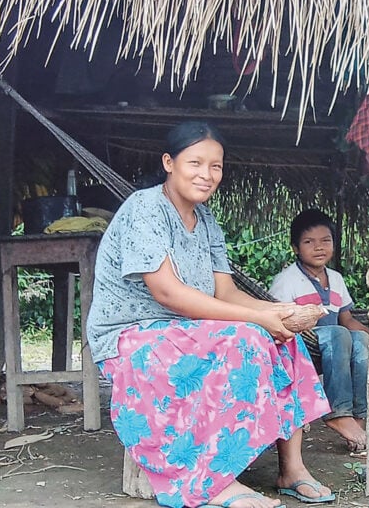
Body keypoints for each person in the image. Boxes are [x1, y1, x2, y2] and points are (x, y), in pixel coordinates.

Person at [86, 121, 336, 508]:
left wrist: (280, 313)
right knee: (248, 337)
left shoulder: (206, 221)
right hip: (131, 336)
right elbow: (167, 292)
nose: (207, 175)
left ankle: (292, 468)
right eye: (196, 163)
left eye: (216, 166)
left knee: (283, 337)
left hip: (187, 330)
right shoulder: (145, 208)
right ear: (169, 162)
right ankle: (213, 479)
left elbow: (226, 291)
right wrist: (257, 320)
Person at [269, 209, 369, 452]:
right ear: (295, 248)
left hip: (337, 342)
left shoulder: (336, 278)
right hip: (302, 343)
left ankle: (357, 417)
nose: (319, 247)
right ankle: (337, 412)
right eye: (309, 242)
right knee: (339, 334)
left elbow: (346, 319)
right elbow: (279, 321)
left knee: (359, 339)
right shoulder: (287, 280)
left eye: (325, 241)